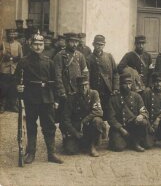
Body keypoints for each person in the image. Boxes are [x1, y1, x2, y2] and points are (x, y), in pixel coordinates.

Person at [15, 32, 63, 164]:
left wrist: (57, 100)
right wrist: (18, 87)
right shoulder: (23, 62)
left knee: (49, 126)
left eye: (40, 44)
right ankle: (31, 153)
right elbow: (16, 80)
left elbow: (56, 82)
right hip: (31, 99)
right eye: (35, 44)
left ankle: (51, 154)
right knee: (31, 125)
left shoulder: (49, 62)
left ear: (44, 46)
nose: (38, 47)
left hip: (47, 99)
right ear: (30, 45)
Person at [62, 76, 105, 157]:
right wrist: (75, 132)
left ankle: (92, 146)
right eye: (81, 86)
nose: (84, 88)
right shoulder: (72, 97)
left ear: (89, 85)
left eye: (86, 85)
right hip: (77, 127)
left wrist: (84, 120)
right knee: (70, 150)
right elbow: (65, 118)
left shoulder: (94, 94)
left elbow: (98, 111)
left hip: (89, 124)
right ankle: (80, 142)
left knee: (97, 121)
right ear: (77, 87)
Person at [107, 73, 150, 152]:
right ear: (120, 84)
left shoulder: (137, 96)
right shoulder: (113, 98)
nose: (128, 86)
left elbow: (144, 111)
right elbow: (111, 118)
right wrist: (121, 129)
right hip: (119, 128)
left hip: (133, 125)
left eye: (130, 83)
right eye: (125, 84)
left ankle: (136, 142)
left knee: (143, 122)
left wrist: (141, 115)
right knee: (118, 147)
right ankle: (125, 141)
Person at [87, 35, 119, 121]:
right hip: (95, 91)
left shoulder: (109, 56)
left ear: (104, 45)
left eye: (101, 44)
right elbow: (87, 77)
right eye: (97, 44)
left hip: (108, 91)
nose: (99, 46)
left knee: (109, 114)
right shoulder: (89, 58)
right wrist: (89, 90)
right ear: (93, 44)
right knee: (97, 114)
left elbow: (115, 73)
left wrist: (115, 87)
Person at [0, 29, 23, 113]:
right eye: (10, 33)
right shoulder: (3, 43)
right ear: (7, 34)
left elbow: (21, 57)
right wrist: (3, 54)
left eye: (14, 33)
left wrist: (12, 58)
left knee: (13, 88)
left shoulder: (18, 44)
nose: (12, 35)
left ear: (16, 34)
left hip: (14, 69)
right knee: (3, 88)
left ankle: (13, 105)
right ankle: (2, 105)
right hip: (4, 69)